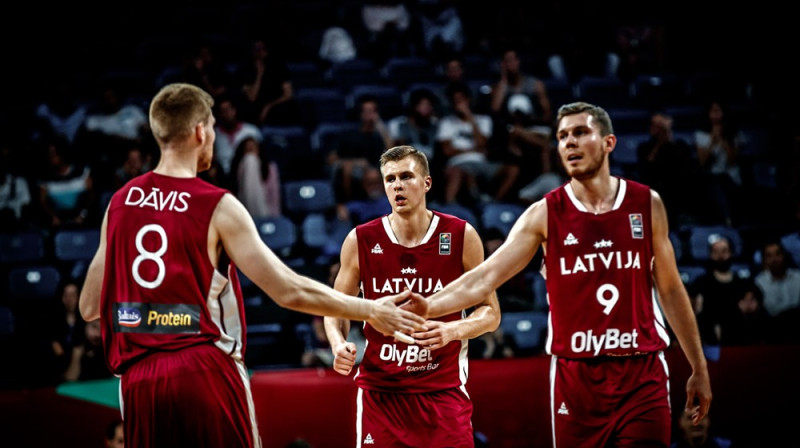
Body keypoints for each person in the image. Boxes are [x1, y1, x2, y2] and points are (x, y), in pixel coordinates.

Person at [78, 83, 427, 448]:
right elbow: (289, 289)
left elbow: (90, 307)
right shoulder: (216, 204)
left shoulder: (120, 203)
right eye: (211, 126)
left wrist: (157, 317)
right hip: (202, 369)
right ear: (200, 131)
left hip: (138, 382)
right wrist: (370, 309)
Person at [416, 102, 712, 447]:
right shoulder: (543, 214)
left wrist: (699, 367)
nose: (570, 142)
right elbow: (485, 277)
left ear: (608, 143)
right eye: (562, 136)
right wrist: (429, 306)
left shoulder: (646, 204)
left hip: (642, 374)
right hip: (577, 378)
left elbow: (672, 290)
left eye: (581, 133)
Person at [324, 145, 500, 447]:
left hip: (443, 392)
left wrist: (452, 330)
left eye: (406, 176)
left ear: (427, 183)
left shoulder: (460, 235)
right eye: (390, 179)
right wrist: (339, 344)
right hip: (383, 396)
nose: (397, 186)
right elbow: (336, 309)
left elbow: (491, 313)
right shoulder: (361, 240)